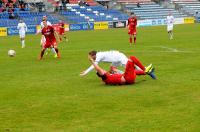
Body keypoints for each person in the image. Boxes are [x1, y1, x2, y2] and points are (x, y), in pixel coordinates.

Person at [88, 55, 156, 85]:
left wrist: (114, 71)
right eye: (102, 71)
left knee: (133, 70)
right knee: (132, 58)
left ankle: (148, 72)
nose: (103, 70)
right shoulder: (105, 76)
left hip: (127, 78)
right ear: (101, 74)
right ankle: (145, 69)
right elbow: (98, 68)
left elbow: (114, 77)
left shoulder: (107, 77)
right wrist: (92, 61)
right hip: (127, 78)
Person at [80, 50, 150, 76]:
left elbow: (94, 66)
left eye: (91, 57)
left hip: (119, 58)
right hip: (116, 59)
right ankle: (121, 75)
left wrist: (86, 72)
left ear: (94, 55)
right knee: (111, 69)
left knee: (132, 69)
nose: (91, 58)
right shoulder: (99, 54)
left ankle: (145, 70)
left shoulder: (98, 55)